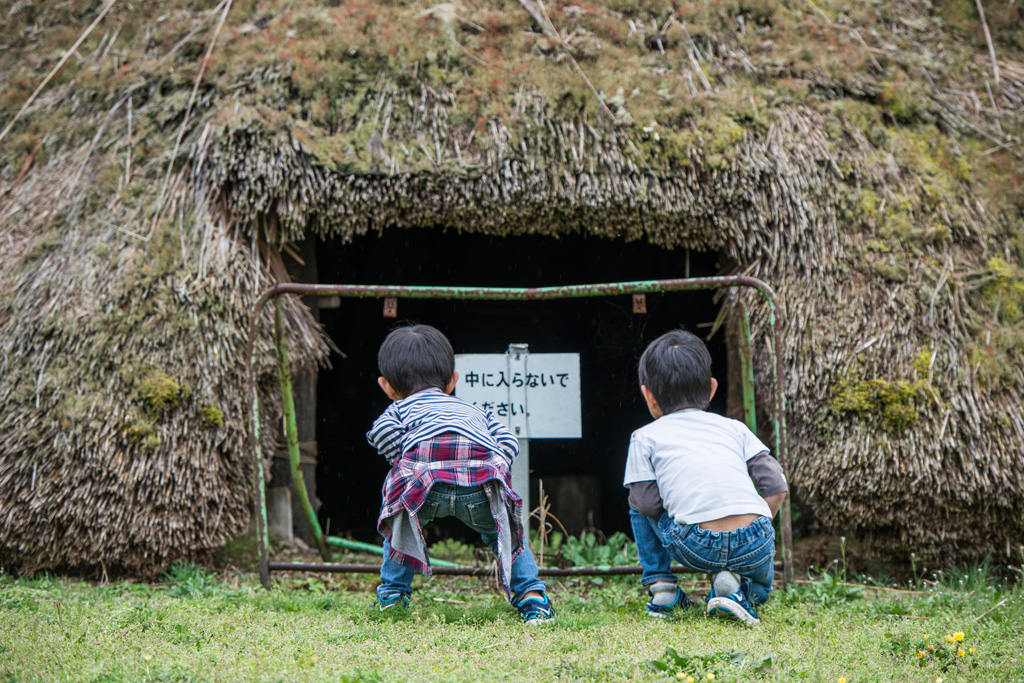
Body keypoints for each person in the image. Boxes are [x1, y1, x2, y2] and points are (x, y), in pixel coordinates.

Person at [366, 324, 555, 624]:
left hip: (422, 485)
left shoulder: (399, 410)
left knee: (400, 526)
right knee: (506, 535)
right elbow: (508, 439)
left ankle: (392, 597)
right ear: (453, 380)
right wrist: (494, 466)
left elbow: (382, 432)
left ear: (387, 387)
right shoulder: (475, 411)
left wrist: (406, 461)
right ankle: (533, 599)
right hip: (479, 483)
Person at [624, 329, 788, 626]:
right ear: (712, 389)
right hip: (755, 540)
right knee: (760, 590)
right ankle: (736, 587)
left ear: (648, 396)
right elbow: (776, 485)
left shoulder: (644, 437)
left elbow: (646, 504)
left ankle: (662, 588)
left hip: (696, 544)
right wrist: (755, 528)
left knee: (637, 501)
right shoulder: (734, 427)